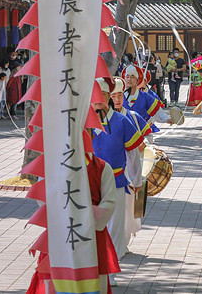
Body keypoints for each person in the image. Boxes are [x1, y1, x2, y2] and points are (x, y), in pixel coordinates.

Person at [26, 151, 121, 294]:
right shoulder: (51, 166)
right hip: (61, 233)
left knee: (93, 281)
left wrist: (82, 218)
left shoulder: (102, 167)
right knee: (55, 281)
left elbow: (109, 203)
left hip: (92, 236)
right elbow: (43, 198)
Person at [91, 77, 146, 286]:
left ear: (108, 98)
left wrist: (136, 179)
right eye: (93, 96)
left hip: (115, 180)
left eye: (101, 96)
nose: (97, 101)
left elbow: (133, 154)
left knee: (114, 227)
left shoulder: (122, 121)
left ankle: (108, 271)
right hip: (87, 183)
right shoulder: (83, 122)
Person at [109, 77, 153, 250]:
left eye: (120, 95)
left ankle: (122, 244)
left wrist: (144, 144)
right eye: (113, 96)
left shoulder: (131, 117)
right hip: (108, 172)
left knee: (127, 211)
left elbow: (146, 137)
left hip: (128, 171)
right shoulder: (101, 119)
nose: (117, 99)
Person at [123, 65, 173, 143]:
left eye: (132, 77)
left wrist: (167, 119)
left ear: (137, 80)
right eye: (127, 77)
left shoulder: (145, 97)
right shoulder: (119, 97)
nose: (129, 79)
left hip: (141, 134)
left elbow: (157, 111)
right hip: (123, 135)